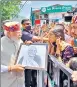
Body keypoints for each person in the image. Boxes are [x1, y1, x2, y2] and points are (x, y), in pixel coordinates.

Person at [1, 21, 25, 87]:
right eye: (17, 32)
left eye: (20, 32)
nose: (20, 34)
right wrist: (10, 68)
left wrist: (27, 47)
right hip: (6, 83)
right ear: (8, 32)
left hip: (20, 81)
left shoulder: (19, 41)